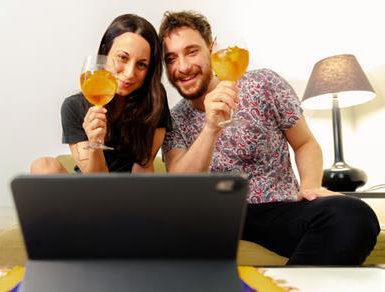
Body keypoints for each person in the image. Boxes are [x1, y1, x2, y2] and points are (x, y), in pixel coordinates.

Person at [158, 10, 379, 265]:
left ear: (211, 47)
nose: (182, 67)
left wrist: (309, 186)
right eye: (171, 58)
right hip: (215, 218)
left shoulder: (264, 83)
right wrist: (210, 128)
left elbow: (305, 143)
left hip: (279, 209)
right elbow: (181, 185)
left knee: (353, 215)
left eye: (192, 51)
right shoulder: (174, 119)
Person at [31, 14, 171, 174]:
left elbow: (143, 167)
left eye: (141, 64)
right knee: (42, 166)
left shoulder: (154, 99)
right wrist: (95, 143)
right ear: (104, 53)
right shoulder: (75, 106)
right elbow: (94, 181)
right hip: (89, 188)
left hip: (131, 189)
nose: (130, 73)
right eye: (122, 58)